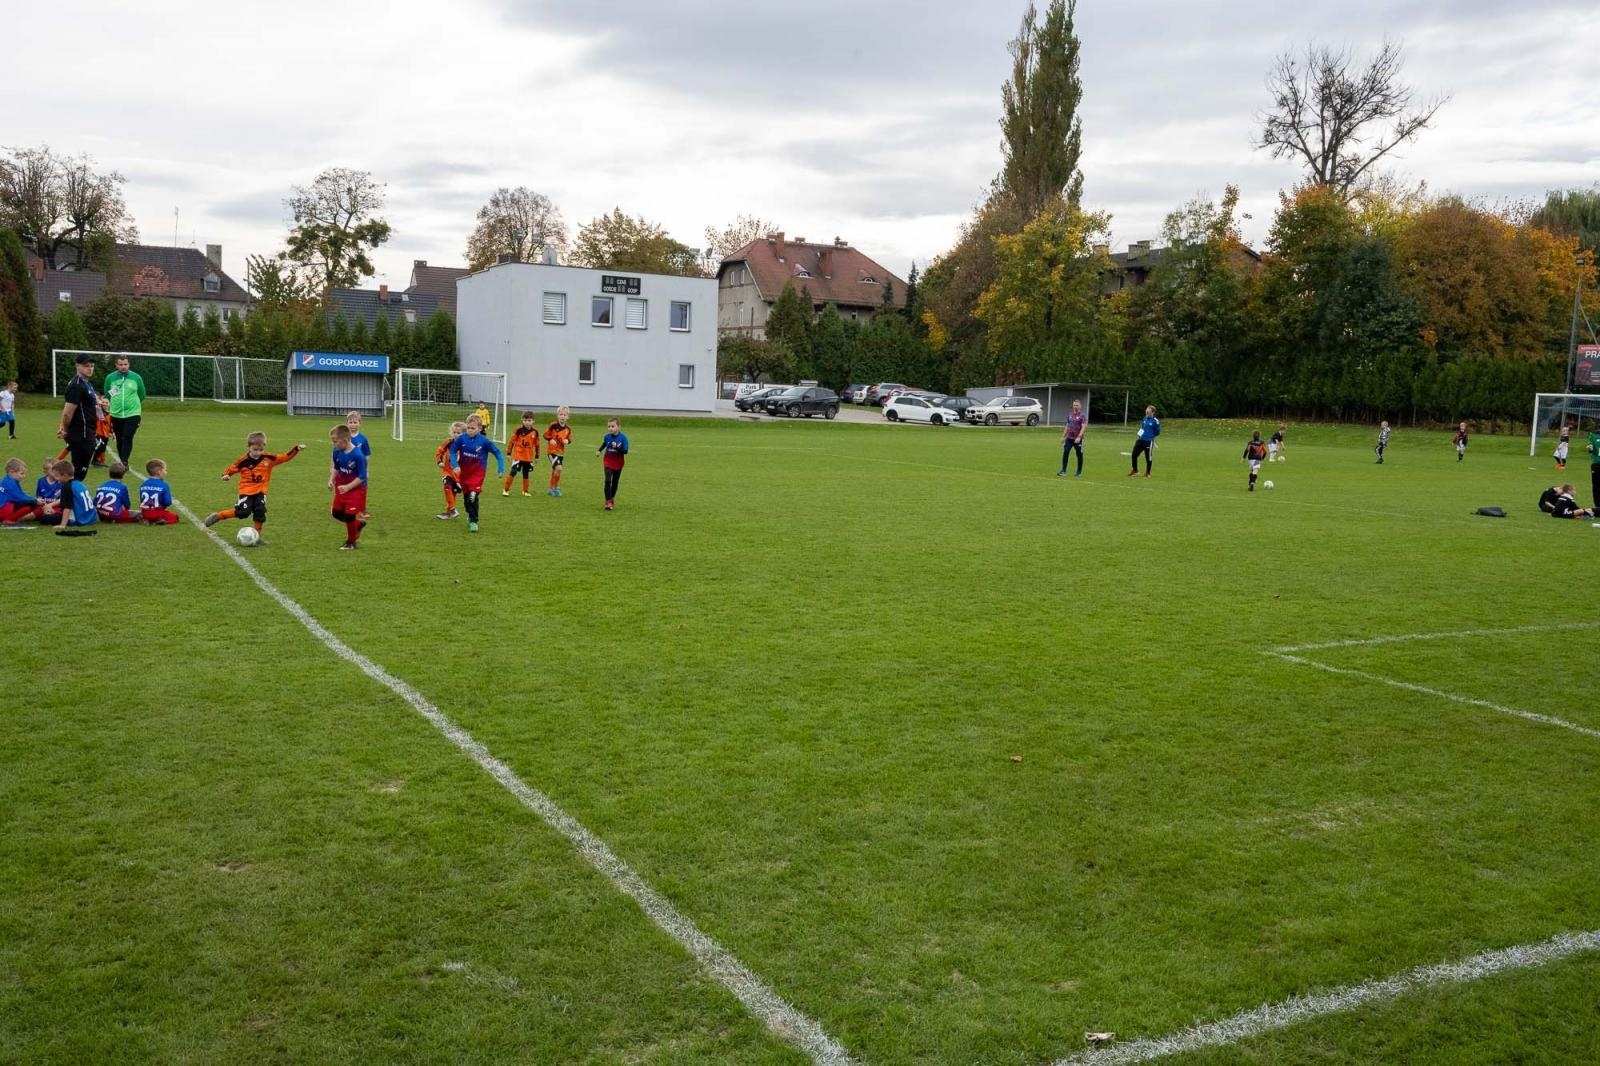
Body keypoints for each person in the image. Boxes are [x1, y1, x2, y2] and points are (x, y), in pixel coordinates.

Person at [203, 432, 305, 544]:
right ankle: (218, 516)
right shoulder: (243, 461)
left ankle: (257, 536)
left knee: (260, 510)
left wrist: (296, 449)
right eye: (255, 450)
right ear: (249, 447)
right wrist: (226, 476)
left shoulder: (269, 458)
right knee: (243, 512)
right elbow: (231, 469)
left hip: (261, 491)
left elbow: (285, 457)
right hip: (246, 491)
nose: (258, 452)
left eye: (260, 450)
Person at [447, 413, 503, 533]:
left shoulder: (484, 442)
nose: (470, 430)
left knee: (473, 495)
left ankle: (474, 521)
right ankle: (470, 514)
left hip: (478, 473)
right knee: (467, 499)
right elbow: (452, 451)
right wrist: (455, 465)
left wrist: (500, 468)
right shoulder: (462, 439)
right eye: (468, 428)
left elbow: (498, 453)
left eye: (473, 428)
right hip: (464, 473)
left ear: (480, 428)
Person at [57, 353, 100, 481]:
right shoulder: (77, 385)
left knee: (79, 472)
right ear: (77, 366)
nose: (90, 368)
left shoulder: (86, 383)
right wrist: (64, 429)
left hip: (88, 432)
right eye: (86, 366)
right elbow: (67, 412)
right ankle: (66, 498)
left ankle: (68, 498)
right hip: (82, 434)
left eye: (92, 366)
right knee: (77, 473)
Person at [329, 423, 368, 550]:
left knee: (349, 515)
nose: (334, 445)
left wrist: (348, 487)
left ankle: (351, 542)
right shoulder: (337, 452)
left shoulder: (358, 455)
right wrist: (331, 480)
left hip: (356, 490)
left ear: (344, 440)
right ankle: (358, 525)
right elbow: (336, 468)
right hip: (342, 489)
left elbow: (362, 477)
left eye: (335, 442)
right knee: (336, 513)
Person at [105, 356, 147, 466]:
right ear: (116, 365)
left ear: (129, 365)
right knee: (119, 438)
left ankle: (124, 462)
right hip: (116, 414)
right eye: (120, 364)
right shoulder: (110, 378)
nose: (123, 367)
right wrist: (115, 404)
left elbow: (142, 394)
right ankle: (122, 459)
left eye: (125, 364)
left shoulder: (136, 377)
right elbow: (107, 394)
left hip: (133, 413)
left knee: (127, 436)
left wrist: (133, 405)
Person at [55, 459, 98, 535]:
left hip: (78, 519)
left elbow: (67, 507)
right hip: (91, 517)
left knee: (45, 518)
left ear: (64, 475)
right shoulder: (79, 483)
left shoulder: (67, 487)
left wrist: (62, 525)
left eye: (57, 476)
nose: (56, 479)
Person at [503, 411, 541, 496]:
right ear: (522, 420)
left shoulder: (535, 432)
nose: (527, 422)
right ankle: (506, 489)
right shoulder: (518, 430)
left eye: (529, 420)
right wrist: (509, 453)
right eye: (525, 420)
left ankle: (525, 491)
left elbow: (537, 445)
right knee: (513, 471)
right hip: (518, 455)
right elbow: (512, 441)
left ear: (533, 421)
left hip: (528, 456)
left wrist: (537, 456)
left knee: (526, 473)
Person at [434, 420, 465, 520]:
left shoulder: (466, 445)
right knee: (447, 487)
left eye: (458, 433)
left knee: (453, 493)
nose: (456, 435)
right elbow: (439, 452)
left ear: (464, 434)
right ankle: (452, 509)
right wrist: (439, 462)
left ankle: (449, 513)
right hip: (448, 472)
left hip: (459, 475)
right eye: (454, 432)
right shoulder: (448, 442)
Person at [596, 417, 629, 510]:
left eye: (613, 426)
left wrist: (618, 448)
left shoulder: (623, 438)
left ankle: (611, 498)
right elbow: (604, 443)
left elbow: (625, 451)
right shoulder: (607, 436)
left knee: (615, 482)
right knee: (608, 480)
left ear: (618, 427)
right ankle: (608, 501)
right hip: (608, 461)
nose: (610, 428)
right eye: (609, 426)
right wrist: (599, 450)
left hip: (618, 463)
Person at [345, 411, 372, 519]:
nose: (353, 425)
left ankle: (362, 510)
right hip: (346, 470)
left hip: (360, 470)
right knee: (345, 489)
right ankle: (342, 507)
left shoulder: (363, 439)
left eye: (355, 422)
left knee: (362, 490)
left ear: (360, 423)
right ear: (346, 423)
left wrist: (367, 470)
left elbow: (367, 455)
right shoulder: (344, 438)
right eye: (350, 422)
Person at [138, 459, 179, 525]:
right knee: (175, 517)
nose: (166, 472)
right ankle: (160, 522)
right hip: (157, 511)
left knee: (146, 514)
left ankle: (146, 519)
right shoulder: (164, 485)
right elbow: (168, 502)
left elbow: (142, 499)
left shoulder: (143, 484)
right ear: (159, 472)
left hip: (145, 512)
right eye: (165, 470)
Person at [544, 405, 573, 496]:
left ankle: (552, 488)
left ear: (567, 416)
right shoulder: (553, 425)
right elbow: (545, 435)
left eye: (564, 415)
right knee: (559, 468)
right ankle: (554, 488)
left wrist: (567, 441)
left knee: (556, 470)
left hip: (561, 452)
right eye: (561, 414)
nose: (562, 416)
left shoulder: (568, 429)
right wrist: (550, 439)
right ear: (557, 415)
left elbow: (570, 439)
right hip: (552, 451)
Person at [0, 458, 38, 526]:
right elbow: (20, 497)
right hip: (3, 509)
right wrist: (36, 500)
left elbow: (21, 494)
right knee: (32, 504)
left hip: (3, 508)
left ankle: (9, 518)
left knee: (31, 502)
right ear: (11, 472)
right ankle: (8, 519)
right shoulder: (10, 483)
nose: (24, 476)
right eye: (22, 473)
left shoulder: (7, 480)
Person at [1128, 405, 1160, 477]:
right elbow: (1142, 428)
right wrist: (1139, 436)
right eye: (1146, 411)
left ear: (1153, 412)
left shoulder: (1155, 421)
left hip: (1148, 441)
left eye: (1148, 412)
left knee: (1148, 457)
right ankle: (1135, 471)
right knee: (1134, 455)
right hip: (1140, 440)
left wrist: (1151, 437)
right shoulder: (1144, 418)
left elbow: (1157, 432)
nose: (1147, 413)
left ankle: (1147, 473)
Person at [1058, 399, 1086, 477]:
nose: (1075, 407)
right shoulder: (1070, 415)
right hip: (1069, 438)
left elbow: (1083, 427)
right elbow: (1067, 426)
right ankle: (1063, 470)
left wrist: (1079, 437)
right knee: (1066, 452)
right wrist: (1063, 436)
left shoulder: (1082, 416)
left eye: (1077, 405)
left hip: (1078, 439)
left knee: (1079, 455)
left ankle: (1079, 472)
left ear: (1080, 406)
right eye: (1074, 405)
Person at [34, 458, 62, 524]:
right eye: (53, 471)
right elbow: (39, 497)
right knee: (32, 512)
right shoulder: (41, 481)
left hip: (56, 507)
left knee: (48, 516)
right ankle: (17, 519)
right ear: (46, 471)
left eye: (57, 470)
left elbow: (62, 499)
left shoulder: (61, 482)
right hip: (43, 506)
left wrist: (50, 506)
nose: (56, 473)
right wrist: (44, 506)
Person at [1588, 425, 1600, 512]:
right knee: (1596, 486)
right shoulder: (1593, 435)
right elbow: (1590, 448)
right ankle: (1598, 506)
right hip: (1597, 464)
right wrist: (1590, 447)